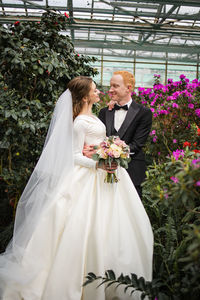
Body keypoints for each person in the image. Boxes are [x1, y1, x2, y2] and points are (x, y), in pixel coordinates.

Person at [0, 76, 153, 300]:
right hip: (90, 177)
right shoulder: (80, 121)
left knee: (114, 225)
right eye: (95, 90)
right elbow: (74, 155)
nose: (100, 92)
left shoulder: (95, 114)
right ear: (84, 96)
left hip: (108, 175)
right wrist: (100, 163)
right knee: (82, 226)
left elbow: (98, 142)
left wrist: (107, 151)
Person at [84, 71, 152, 199]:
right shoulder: (104, 112)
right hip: (104, 172)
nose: (110, 90)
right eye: (110, 86)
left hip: (132, 172)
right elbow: (100, 139)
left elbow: (137, 144)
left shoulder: (144, 113)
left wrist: (115, 153)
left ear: (128, 88)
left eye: (115, 86)